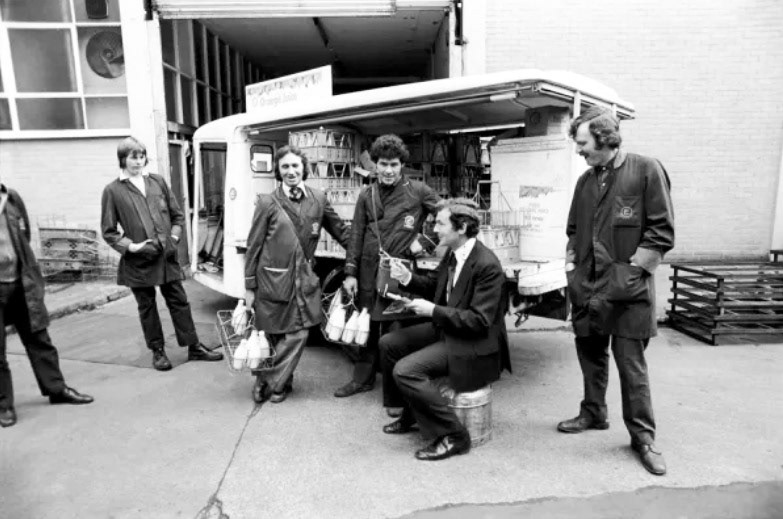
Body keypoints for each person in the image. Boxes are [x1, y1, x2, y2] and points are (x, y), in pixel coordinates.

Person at [559, 106, 675, 475]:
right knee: (591, 356)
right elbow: (574, 232)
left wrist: (629, 274)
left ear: (605, 138)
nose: (578, 150)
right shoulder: (585, 182)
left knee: (631, 368)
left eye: (582, 143)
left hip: (628, 293)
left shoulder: (645, 170)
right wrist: (573, 271)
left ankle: (643, 438)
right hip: (588, 289)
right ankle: (593, 413)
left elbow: (661, 233)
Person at [378, 198, 511, 461]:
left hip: (474, 342)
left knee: (407, 370)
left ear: (461, 228)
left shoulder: (487, 265)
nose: (433, 229)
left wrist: (433, 311)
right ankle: (413, 414)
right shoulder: (453, 253)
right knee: (388, 344)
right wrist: (407, 278)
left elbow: (479, 321)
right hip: (451, 329)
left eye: (440, 223)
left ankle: (454, 435)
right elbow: (434, 287)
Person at [101, 136, 223, 371]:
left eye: (141, 156)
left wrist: (175, 237)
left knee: (179, 301)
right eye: (132, 157)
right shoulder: (113, 190)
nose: (137, 162)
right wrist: (131, 246)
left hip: (165, 256)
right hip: (138, 260)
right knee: (146, 306)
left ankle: (194, 346)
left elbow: (177, 216)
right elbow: (108, 231)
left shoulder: (157, 182)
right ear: (123, 160)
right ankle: (157, 351)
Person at [335, 134, 440, 400]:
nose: (389, 170)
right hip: (369, 269)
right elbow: (356, 234)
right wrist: (350, 272)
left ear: (402, 164)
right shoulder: (366, 194)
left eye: (394, 164)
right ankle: (362, 379)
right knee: (366, 324)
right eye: (383, 164)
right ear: (375, 164)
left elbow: (451, 216)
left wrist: (425, 242)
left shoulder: (418, 191)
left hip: (400, 270)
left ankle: (400, 389)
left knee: (398, 329)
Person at [244, 145, 349, 404]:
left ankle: (268, 381)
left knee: (298, 333)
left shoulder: (318, 198)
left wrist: (362, 252)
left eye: (295, 166)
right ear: (279, 172)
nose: (291, 171)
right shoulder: (267, 202)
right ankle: (278, 382)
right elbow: (254, 245)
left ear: (304, 168)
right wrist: (249, 286)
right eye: (285, 167)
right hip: (271, 279)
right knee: (271, 334)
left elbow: (341, 231)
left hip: (303, 280)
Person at [0, 181, 93, 428]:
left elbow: (24, 235)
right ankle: (4, 405)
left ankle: (56, 389)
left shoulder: (10, 198)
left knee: (39, 338)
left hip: (21, 282)